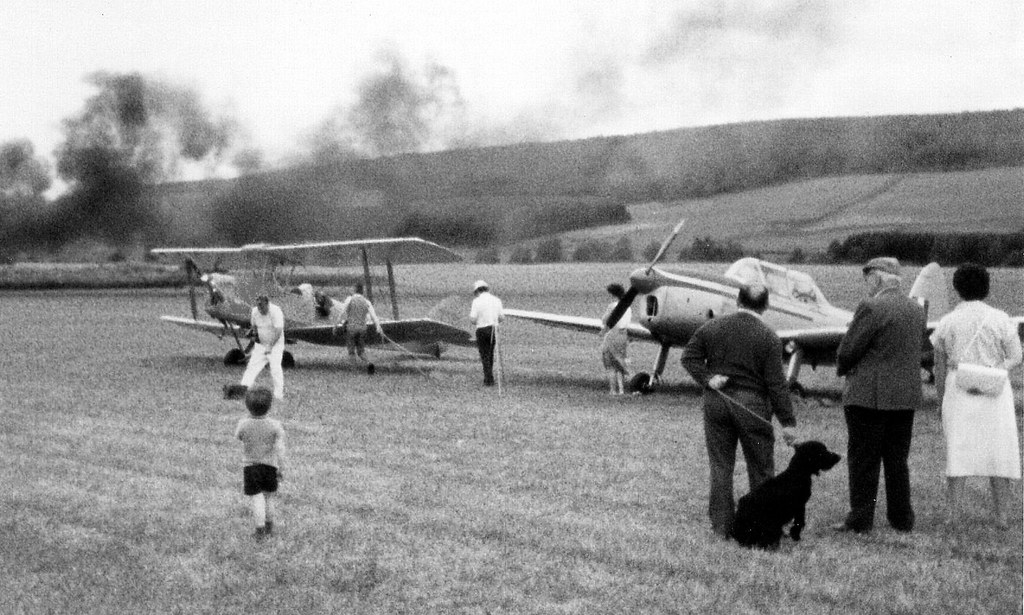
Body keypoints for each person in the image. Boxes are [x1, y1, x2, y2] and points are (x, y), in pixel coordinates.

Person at [681, 283, 798, 539]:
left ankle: (722, 528)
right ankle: (762, 528)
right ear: (766, 306)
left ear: (737, 300)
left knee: (721, 467)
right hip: (752, 406)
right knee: (761, 469)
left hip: (717, 403)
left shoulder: (712, 327)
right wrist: (788, 422)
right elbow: (777, 384)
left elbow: (688, 357)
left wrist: (708, 378)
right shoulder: (769, 337)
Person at [833, 256, 926, 534]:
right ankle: (901, 518)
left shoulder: (871, 307)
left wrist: (842, 366)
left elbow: (848, 351)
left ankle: (861, 519)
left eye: (867, 279)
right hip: (904, 397)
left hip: (868, 397)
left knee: (864, 462)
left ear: (876, 278)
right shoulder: (916, 310)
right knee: (897, 461)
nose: (866, 285)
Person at [929, 263, 1022, 528]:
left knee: (958, 451)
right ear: (987, 288)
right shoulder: (1002, 319)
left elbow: (938, 363)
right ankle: (1001, 516)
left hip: (959, 388)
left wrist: (940, 399)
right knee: (999, 452)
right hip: (996, 390)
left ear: (957, 289)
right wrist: (995, 369)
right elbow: (1016, 356)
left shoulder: (948, 321)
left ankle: (953, 514)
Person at [234, 387, 287, 540]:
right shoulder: (275, 425)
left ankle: (259, 530)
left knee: (257, 498)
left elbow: (238, 436)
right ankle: (270, 527)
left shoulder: (243, 424)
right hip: (270, 466)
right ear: (269, 406)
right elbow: (280, 448)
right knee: (269, 497)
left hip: (251, 467)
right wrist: (282, 468)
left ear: (247, 406)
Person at [229, 294, 285, 400]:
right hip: (261, 344)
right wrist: (253, 335)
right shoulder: (255, 311)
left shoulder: (276, 311)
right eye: (258, 307)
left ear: (267, 304)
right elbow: (254, 326)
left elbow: (278, 331)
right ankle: (243, 391)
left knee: (275, 368)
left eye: (262, 307)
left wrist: (270, 346)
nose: (260, 309)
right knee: (252, 367)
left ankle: (278, 395)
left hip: (275, 345)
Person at [336, 283, 384, 374]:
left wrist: (335, 325)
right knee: (361, 351)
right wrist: (378, 327)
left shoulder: (349, 299)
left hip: (351, 329)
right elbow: (374, 316)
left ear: (354, 290)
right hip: (362, 329)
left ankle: (355, 370)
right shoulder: (366, 302)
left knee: (351, 351)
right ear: (362, 291)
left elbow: (342, 313)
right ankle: (369, 363)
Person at [469, 280, 504, 386]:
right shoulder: (497, 300)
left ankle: (488, 379)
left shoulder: (476, 301)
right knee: (491, 353)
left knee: (484, 354)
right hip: (494, 329)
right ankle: (489, 377)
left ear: (477, 291)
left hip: (482, 330)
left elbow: (473, 320)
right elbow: (501, 317)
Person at [600, 282, 631, 395]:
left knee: (610, 365)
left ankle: (613, 390)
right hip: (623, 335)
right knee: (620, 362)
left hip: (613, 334)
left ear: (613, 294)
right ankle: (622, 390)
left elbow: (605, 320)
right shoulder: (628, 307)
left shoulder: (612, 306)